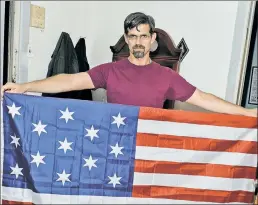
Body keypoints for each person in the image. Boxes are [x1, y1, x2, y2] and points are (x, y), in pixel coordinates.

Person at [1, 12, 257, 117]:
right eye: (132, 36)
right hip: (112, 144)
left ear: (152, 39)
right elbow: (69, 80)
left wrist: (247, 113)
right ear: (126, 38)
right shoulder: (109, 70)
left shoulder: (166, 76)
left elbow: (203, 99)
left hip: (148, 146)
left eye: (143, 36)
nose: (138, 42)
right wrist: (25, 86)